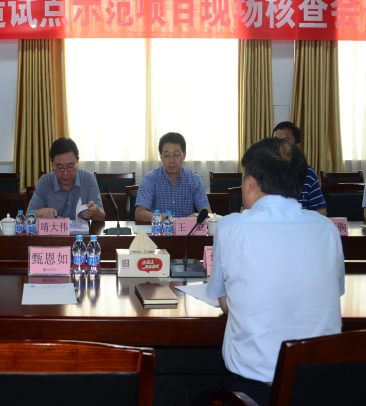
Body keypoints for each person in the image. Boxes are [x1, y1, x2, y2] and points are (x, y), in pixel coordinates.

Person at [202, 138, 344, 406]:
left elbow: (225, 303)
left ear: (250, 183)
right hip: (324, 387)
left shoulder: (232, 227)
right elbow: (332, 294)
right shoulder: (327, 229)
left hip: (255, 392)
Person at [135, 132, 211, 221]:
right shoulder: (150, 179)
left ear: (184, 155)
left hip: (186, 229)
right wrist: (165, 218)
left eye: (176, 155)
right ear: (161, 157)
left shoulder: (194, 180)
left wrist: (192, 218)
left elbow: (207, 212)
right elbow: (139, 214)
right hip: (159, 229)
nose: (171, 160)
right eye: (167, 155)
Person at [27, 137, 105, 221]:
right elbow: (28, 215)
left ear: (77, 162)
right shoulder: (44, 183)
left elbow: (102, 217)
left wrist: (95, 212)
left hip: (81, 230)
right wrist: (43, 212)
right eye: (60, 168)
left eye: (70, 167)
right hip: (55, 229)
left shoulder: (88, 180)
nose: (65, 173)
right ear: (52, 165)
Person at [272, 121, 327, 216]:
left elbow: (321, 211)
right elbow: (246, 209)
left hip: (300, 224)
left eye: (284, 141)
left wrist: (300, 220)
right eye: (275, 140)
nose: (278, 145)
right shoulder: (260, 172)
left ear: (297, 146)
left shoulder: (308, 173)